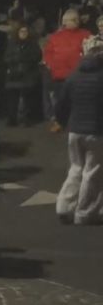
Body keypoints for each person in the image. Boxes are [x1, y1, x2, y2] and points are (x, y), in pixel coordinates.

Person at [55, 48, 103, 225]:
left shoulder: (73, 77)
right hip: (96, 131)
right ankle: (84, 212)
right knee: (92, 172)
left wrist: (62, 122)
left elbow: (61, 104)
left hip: (75, 130)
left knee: (75, 168)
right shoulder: (101, 79)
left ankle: (64, 206)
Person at [43, 10, 92, 132]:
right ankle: (59, 122)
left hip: (79, 75)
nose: (76, 21)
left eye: (77, 19)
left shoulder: (86, 34)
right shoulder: (55, 37)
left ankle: (79, 123)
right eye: (73, 19)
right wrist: (51, 65)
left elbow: (91, 51)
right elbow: (47, 53)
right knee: (60, 101)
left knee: (80, 101)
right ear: (64, 22)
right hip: (60, 75)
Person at [4, 25, 43, 126]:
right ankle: (12, 119)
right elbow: (6, 57)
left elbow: (37, 56)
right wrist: (15, 61)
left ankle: (26, 119)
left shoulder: (32, 44)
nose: (23, 33)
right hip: (13, 73)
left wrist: (25, 60)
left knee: (28, 99)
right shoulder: (12, 44)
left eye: (25, 31)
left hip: (28, 73)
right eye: (21, 31)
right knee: (12, 99)